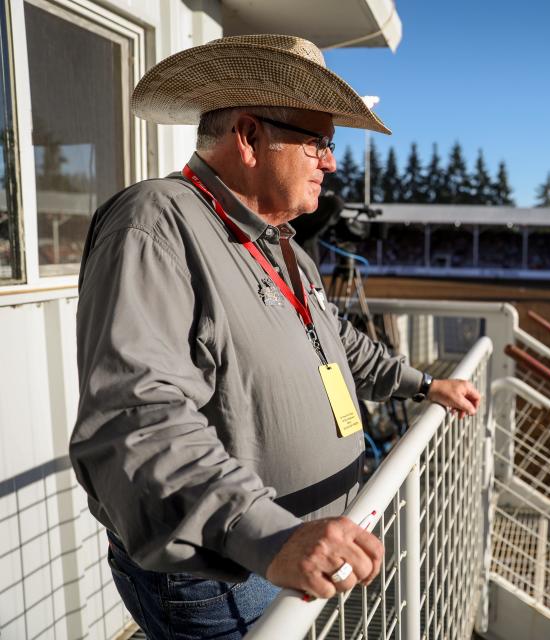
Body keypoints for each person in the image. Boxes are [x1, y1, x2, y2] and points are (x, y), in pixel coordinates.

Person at [69, 34, 481, 639]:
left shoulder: (281, 243)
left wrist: (421, 385)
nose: (331, 162)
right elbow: (137, 414)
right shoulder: (155, 222)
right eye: (318, 142)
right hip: (228, 575)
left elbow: (333, 339)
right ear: (249, 136)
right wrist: (270, 535)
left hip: (289, 552)